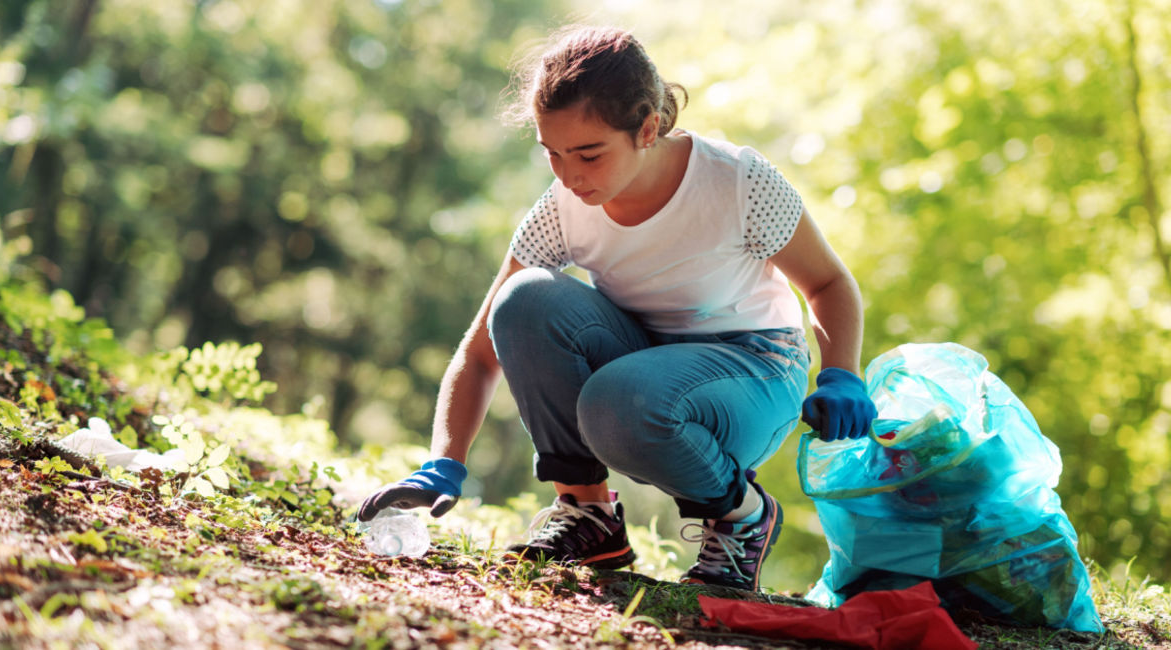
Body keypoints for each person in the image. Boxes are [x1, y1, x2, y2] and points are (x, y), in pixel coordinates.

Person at [357, 25, 876, 591]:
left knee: (619, 398)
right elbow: (482, 349)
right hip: (641, 363)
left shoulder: (737, 182)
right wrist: (444, 462)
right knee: (524, 299)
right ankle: (589, 516)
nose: (569, 175)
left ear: (647, 128)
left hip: (753, 369)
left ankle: (742, 517)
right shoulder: (563, 207)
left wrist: (842, 375)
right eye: (552, 153)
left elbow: (828, 281)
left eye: (588, 153)